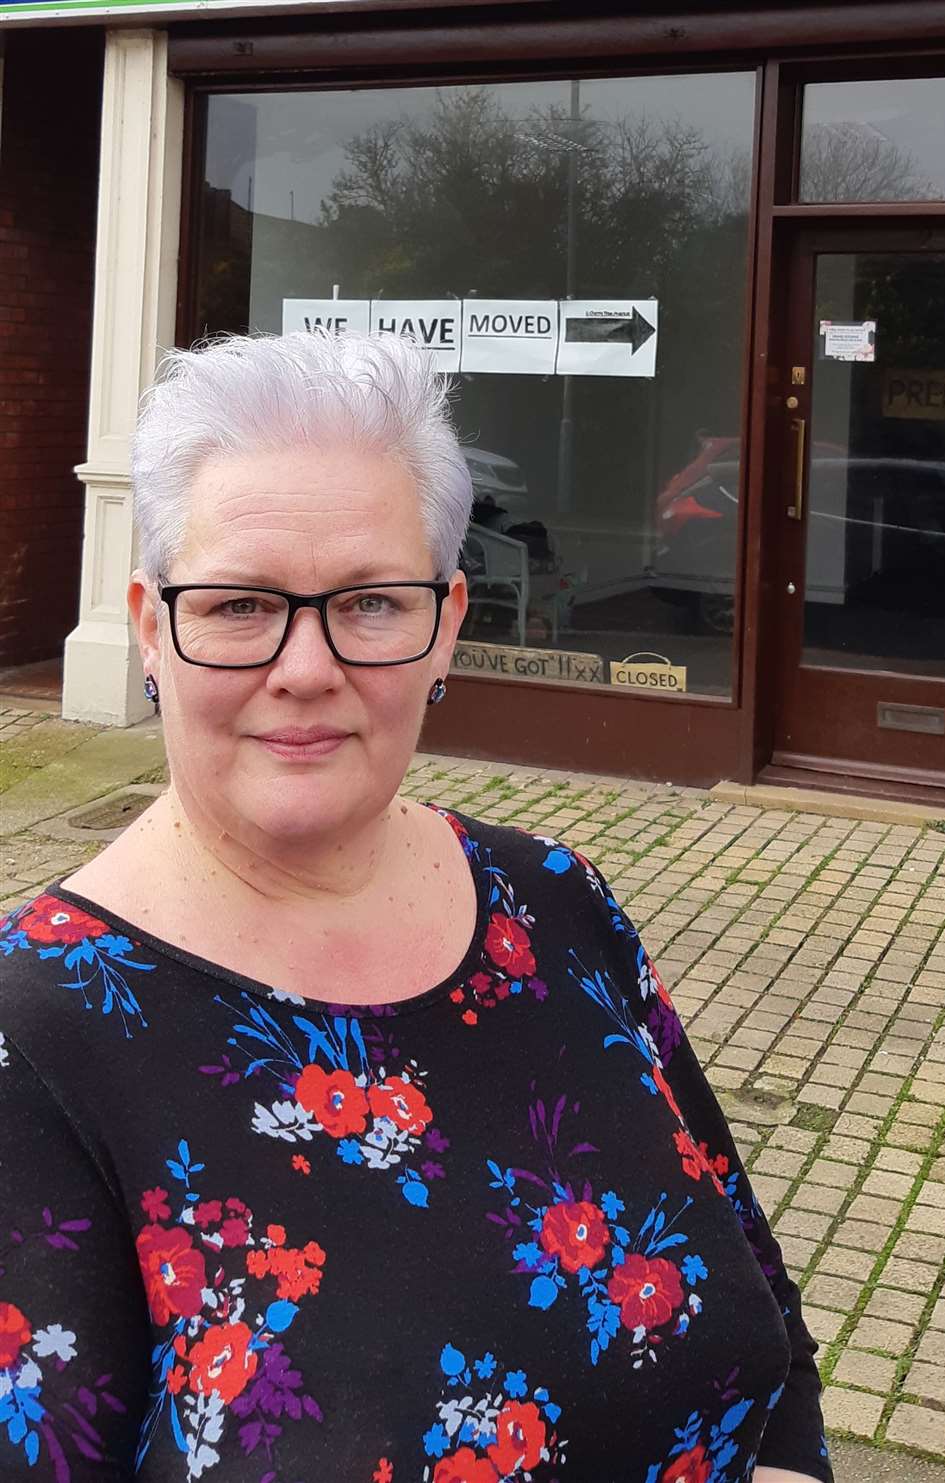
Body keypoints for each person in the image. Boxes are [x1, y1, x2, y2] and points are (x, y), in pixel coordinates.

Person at [0, 330, 831, 1483]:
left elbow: (767, 1324)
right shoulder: (33, 1040)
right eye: (239, 605)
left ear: (446, 623)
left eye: (371, 603)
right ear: (151, 628)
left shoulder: (556, 904)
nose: (304, 666)